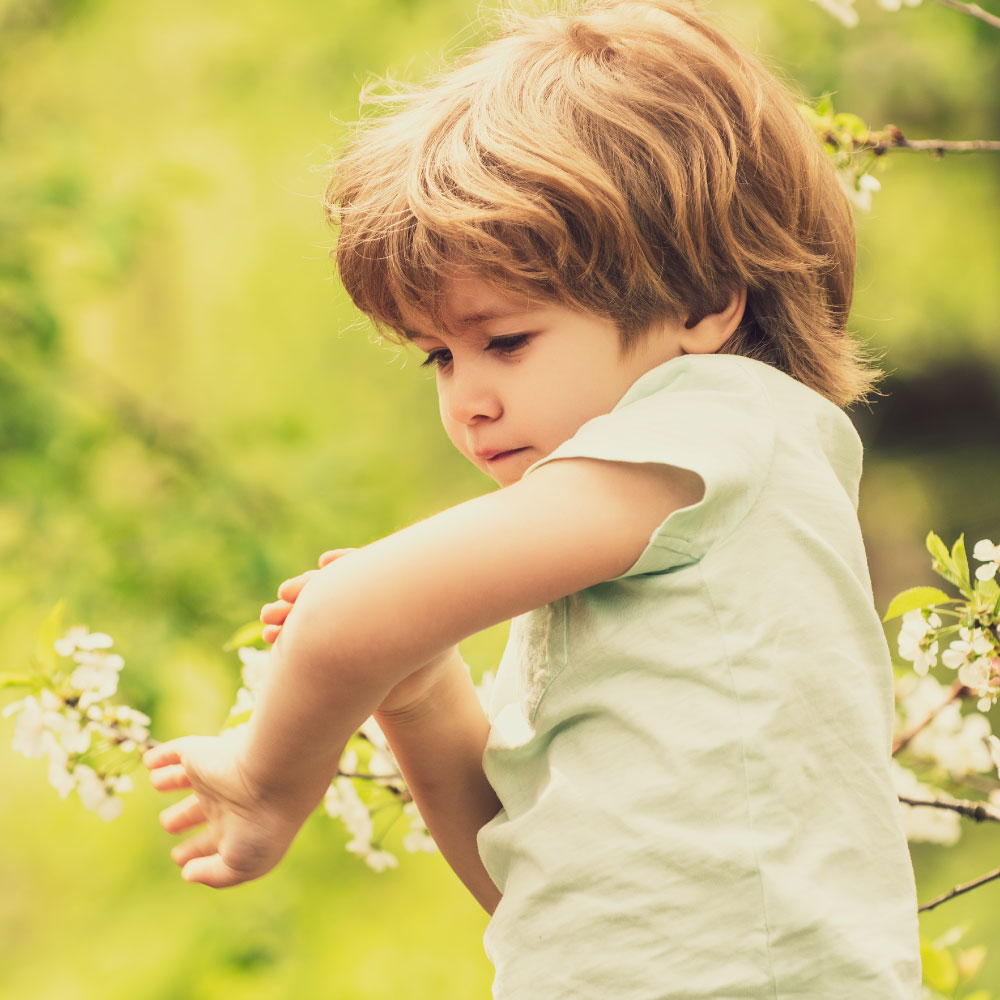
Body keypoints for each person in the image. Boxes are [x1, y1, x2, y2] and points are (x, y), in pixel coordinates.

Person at [144, 1, 922, 995]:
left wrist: (266, 780)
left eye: (505, 341)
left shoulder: (713, 425)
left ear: (701, 304)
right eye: (438, 355)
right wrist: (423, 697)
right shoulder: (631, 548)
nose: (468, 399)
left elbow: (346, 619)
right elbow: (543, 902)